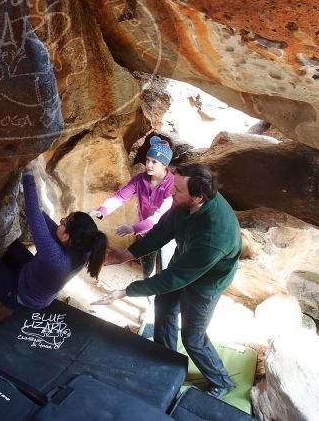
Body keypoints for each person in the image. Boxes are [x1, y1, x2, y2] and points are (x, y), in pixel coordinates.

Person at [92, 163, 242, 399]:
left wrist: (126, 291)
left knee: (192, 337)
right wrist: (126, 255)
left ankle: (221, 381)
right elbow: (163, 231)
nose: (171, 191)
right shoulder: (185, 201)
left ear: (198, 198)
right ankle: (165, 363)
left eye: (178, 190)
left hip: (206, 283)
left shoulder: (215, 235)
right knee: (163, 309)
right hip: (186, 258)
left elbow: (174, 279)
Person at [0, 160, 108, 324]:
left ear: (67, 237)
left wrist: (28, 171)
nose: (60, 222)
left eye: (64, 222)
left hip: (22, 297)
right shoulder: (85, 245)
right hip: (32, 277)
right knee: (9, 245)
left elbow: (33, 214)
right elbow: (43, 218)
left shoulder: (55, 258)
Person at [89, 135, 174, 279]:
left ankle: (162, 297)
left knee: (167, 271)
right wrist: (102, 210)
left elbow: (157, 217)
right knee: (147, 271)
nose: (149, 165)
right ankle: (149, 298)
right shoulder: (140, 179)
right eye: (147, 160)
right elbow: (120, 197)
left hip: (168, 232)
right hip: (145, 234)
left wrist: (133, 229)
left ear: (164, 164)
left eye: (154, 162)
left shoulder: (172, 185)